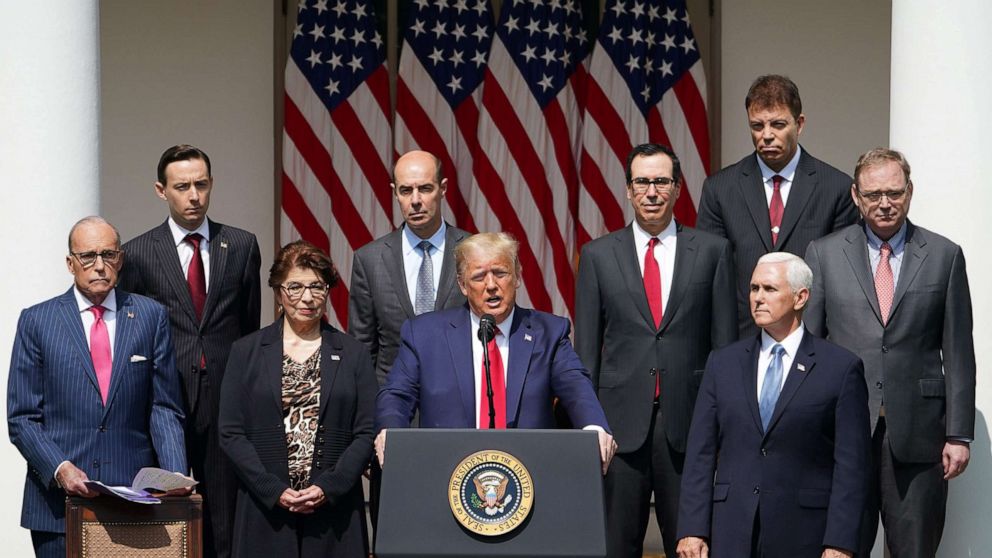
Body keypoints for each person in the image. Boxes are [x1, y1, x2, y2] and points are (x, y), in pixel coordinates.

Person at [804, 148, 975, 558]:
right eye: (874, 193)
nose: (884, 203)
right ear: (856, 196)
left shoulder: (944, 255)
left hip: (919, 437)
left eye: (894, 193)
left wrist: (958, 433)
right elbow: (808, 347)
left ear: (910, 192)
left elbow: (958, 351)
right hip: (842, 433)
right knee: (841, 549)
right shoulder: (824, 254)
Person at [574, 143, 737, 558]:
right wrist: (590, 426)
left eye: (661, 181)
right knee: (613, 546)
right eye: (642, 182)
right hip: (618, 428)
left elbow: (726, 350)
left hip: (691, 426)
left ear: (678, 188)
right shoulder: (597, 255)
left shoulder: (713, 252)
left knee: (692, 545)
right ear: (628, 190)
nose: (652, 191)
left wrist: (726, 427)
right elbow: (587, 355)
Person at [7, 217, 188, 557]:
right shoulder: (37, 321)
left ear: (121, 258)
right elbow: (22, 417)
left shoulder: (150, 316)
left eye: (109, 254)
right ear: (70, 263)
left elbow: (163, 406)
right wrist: (60, 468)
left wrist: (175, 474)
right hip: (57, 506)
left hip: (133, 502)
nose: (100, 266)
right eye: (88, 256)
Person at [118, 144, 261, 558]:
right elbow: (133, 334)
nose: (194, 195)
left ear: (211, 184)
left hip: (225, 402)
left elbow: (248, 326)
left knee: (224, 515)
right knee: (165, 513)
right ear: (161, 191)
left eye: (201, 184)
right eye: (183, 186)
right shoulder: (140, 252)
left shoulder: (241, 245)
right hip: (163, 403)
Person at [676, 253, 869, 558]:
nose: (758, 298)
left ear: (800, 297)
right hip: (732, 530)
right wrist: (692, 529)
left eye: (769, 289)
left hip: (804, 533)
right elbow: (700, 453)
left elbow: (852, 466)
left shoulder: (840, 368)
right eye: (754, 289)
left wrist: (840, 542)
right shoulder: (723, 363)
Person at [375, 232, 616, 473]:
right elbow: (397, 394)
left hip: (529, 474)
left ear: (518, 276)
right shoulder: (425, 334)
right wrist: (389, 431)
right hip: (446, 473)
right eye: (479, 276)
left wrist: (593, 427)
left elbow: (577, 387)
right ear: (462, 285)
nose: (491, 285)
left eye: (500, 273)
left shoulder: (549, 332)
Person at [218, 241, 376, 558]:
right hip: (266, 513)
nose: (306, 298)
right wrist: (272, 490)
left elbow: (366, 431)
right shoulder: (246, 352)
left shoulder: (353, 354)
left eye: (317, 287)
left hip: (335, 515)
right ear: (277, 292)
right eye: (294, 287)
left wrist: (328, 487)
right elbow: (231, 433)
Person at [696, 75, 857, 339]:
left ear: (800, 124)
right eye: (757, 126)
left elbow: (842, 280)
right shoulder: (720, 189)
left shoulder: (836, 188)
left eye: (778, 124)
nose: (767, 135)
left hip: (812, 343)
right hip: (741, 343)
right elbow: (712, 277)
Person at [348, 149, 469, 387]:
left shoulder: (473, 252)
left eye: (425, 188)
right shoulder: (369, 259)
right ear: (395, 193)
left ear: (442, 189)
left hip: (461, 400)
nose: (415, 200)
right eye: (406, 190)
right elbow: (362, 347)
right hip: (394, 403)